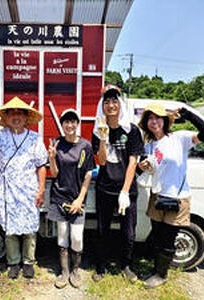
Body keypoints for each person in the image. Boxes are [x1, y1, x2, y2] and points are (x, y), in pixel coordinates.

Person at [137, 102, 204, 288]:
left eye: (157, 118)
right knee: (157, 236)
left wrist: (188, 115)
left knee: (168, 239)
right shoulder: (149, 146)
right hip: (157, 196)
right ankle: (156, 269)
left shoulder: (180, 138)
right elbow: (143, 172)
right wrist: (141, 168)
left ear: (164, 120)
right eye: (150, 119)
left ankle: (161, 275)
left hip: (177, 198)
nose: (153, 122)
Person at [0, 97, 48, 280]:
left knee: (29, 228)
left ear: (26, 116)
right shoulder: (1, 135)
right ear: (6, 117)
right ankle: (13, 262)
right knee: (10, 228)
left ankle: (28, 262)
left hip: (29, 188)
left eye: (20, 112)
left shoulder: (35, 138)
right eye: (12, 112)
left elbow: (41, 165)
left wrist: (41, 189)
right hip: (7, 189)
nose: (16, 116)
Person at [91, 86, 144, 282]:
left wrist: (124, 191)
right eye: (106, 102)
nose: (111, 105)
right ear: (102, 107)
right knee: (102, 230)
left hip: (127, 190)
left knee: (128, 232)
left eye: (114, 102)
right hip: (104, 188)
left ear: (120, 105)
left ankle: (126, 265)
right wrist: (103, 138)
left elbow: (133, 161)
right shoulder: (97, 132)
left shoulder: (131, 130)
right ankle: (101, 266)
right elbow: (102, 161)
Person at [47, 109, 96, 288]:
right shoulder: (57, 143)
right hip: (59, 197)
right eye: (66, 122)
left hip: (77, 199)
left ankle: (76, 269)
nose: (69, 125)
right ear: (63, 124)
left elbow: (88, 174)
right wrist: (51, 158)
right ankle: (64, 271)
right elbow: (54, 173)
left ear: (78, 124)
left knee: (76, 237)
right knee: (62, 236)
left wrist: (80, 199)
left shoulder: (86, 146)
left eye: (73, 121)